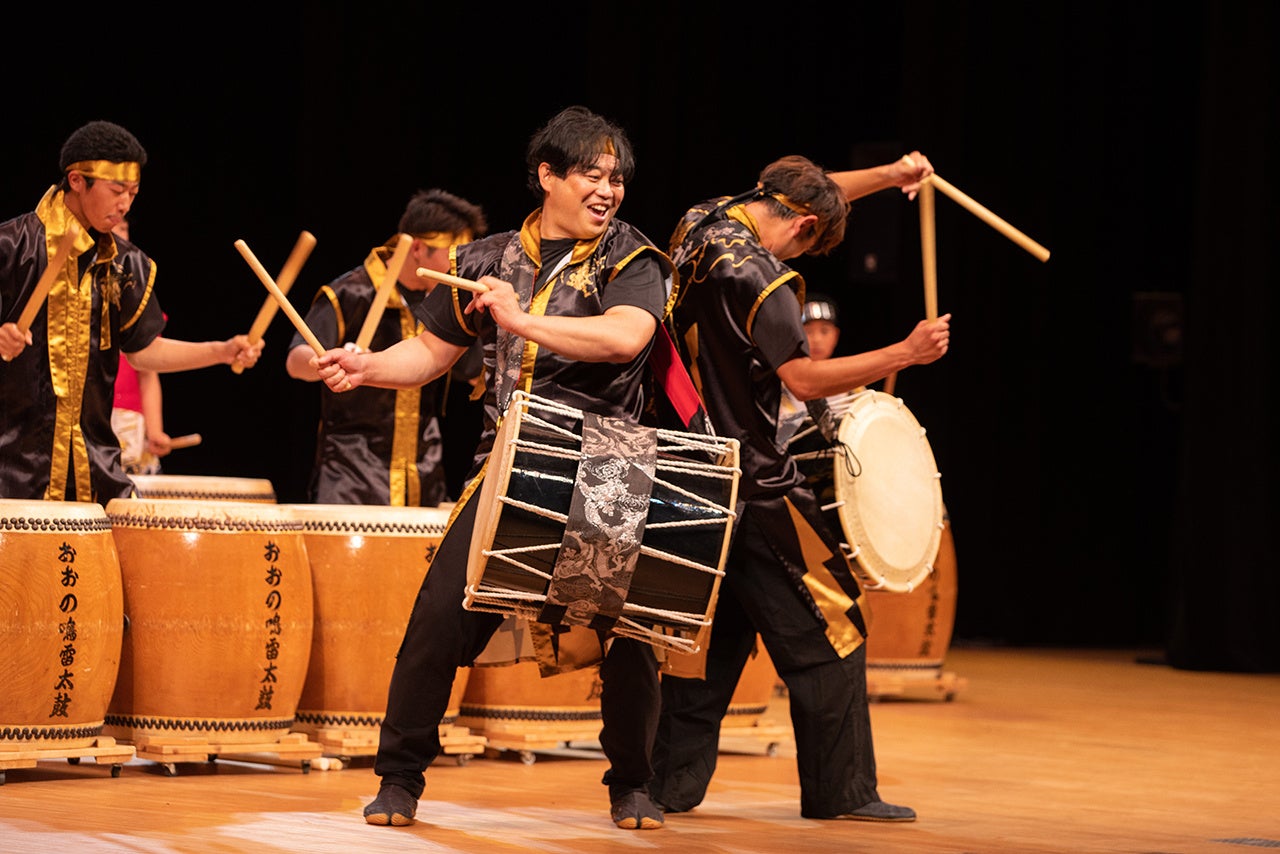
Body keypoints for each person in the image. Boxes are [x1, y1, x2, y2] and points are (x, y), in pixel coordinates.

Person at [311, 106, 675, 831]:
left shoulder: (632, 258)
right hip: (511, 463)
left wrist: (520, 320)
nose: (608, 191)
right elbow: (429, 353)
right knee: (437, 619)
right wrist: (368, 366)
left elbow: (625, 338)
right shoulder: (483, 260)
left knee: (625, 637)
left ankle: (633, 784)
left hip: (608, 468)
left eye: (617, 179)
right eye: (592, 175)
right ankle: (399, 778)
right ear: (548, 176)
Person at [650, 152, 952, 822]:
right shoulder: (765, 279)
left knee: (711, 638)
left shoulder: (702, 221)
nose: (802, 255)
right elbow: (803, 379)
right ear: (804, 225)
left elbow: (807, 193)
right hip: (756, 483)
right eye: (811, 243)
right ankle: (842, 791)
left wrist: (890, 175)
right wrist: (907, 352)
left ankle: (670, 784)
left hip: (689, 476)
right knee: (835, 625)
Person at [0, 120, 262, 503]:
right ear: (76, 181)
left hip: (97, 469)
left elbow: (143, 352)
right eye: (116, 191)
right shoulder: (11, 247)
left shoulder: (128, 265)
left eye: (133, 193)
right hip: (12, 469)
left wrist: (220, 351)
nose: (124, 204)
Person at [285, 188, 489, 506]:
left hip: (424, 475)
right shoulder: (351, 293)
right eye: (452, 257)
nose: (458, 267)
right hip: (352, 476)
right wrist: (326, 362)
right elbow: (296, 361)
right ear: (418, 247)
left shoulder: (446, 302)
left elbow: (475, 373)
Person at [109, 216, 172, 476]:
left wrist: (155, 430)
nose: (119, 231)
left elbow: (148, 374)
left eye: (123, 227)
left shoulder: (135, 296)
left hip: (129, 418)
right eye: (113, 226)